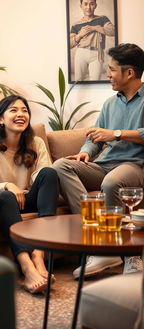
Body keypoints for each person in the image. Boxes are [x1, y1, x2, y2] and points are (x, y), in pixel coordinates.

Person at [53, 43, 144, 278]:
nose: (108, 75)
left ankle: (131, 256)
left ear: (130, 73)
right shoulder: (110, 103)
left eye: (112, 69)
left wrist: (115, 134)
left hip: (135, 166)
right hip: (104, 164)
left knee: (112, 183)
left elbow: (110, 134)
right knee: (61, 166)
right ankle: (100, 241)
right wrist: (86, 152)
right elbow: (96, 137)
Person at [0, 95, 59, 294]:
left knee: (50, 173)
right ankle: (26, 266)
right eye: (13, 110)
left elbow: (42, 173)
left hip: (29, 198)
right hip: (4, 202)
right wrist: (7, 186)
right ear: (0, 119)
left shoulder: (36, 143)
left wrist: (27, 186)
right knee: (4, 196)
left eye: (24, 110)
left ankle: (39, 256)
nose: (21, 114)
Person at [70, 0, 115, 81]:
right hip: (81, 53)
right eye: (85, 4)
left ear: (95, 5)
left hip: (97, 53)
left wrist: (95, 28)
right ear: (81, 6)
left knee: (96, 80)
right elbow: (70, 44)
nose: (88, 7)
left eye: (91, 4)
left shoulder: (102, 19)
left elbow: (113, 31)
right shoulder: (75, 25)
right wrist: (80, 35)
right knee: (78, 81)